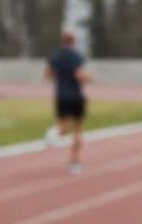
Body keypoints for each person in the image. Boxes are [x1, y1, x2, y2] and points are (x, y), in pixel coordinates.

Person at [44, 28, 91, 175]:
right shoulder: (76, 56)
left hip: (61, 96)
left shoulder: (55, 56)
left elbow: (48, 75)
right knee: (78, 129)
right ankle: (74, 162)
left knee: (63, 128)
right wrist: (88, 78)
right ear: (74, 41)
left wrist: (60, 78)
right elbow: (80, 76)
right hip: (76, 96)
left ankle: (53, 132)